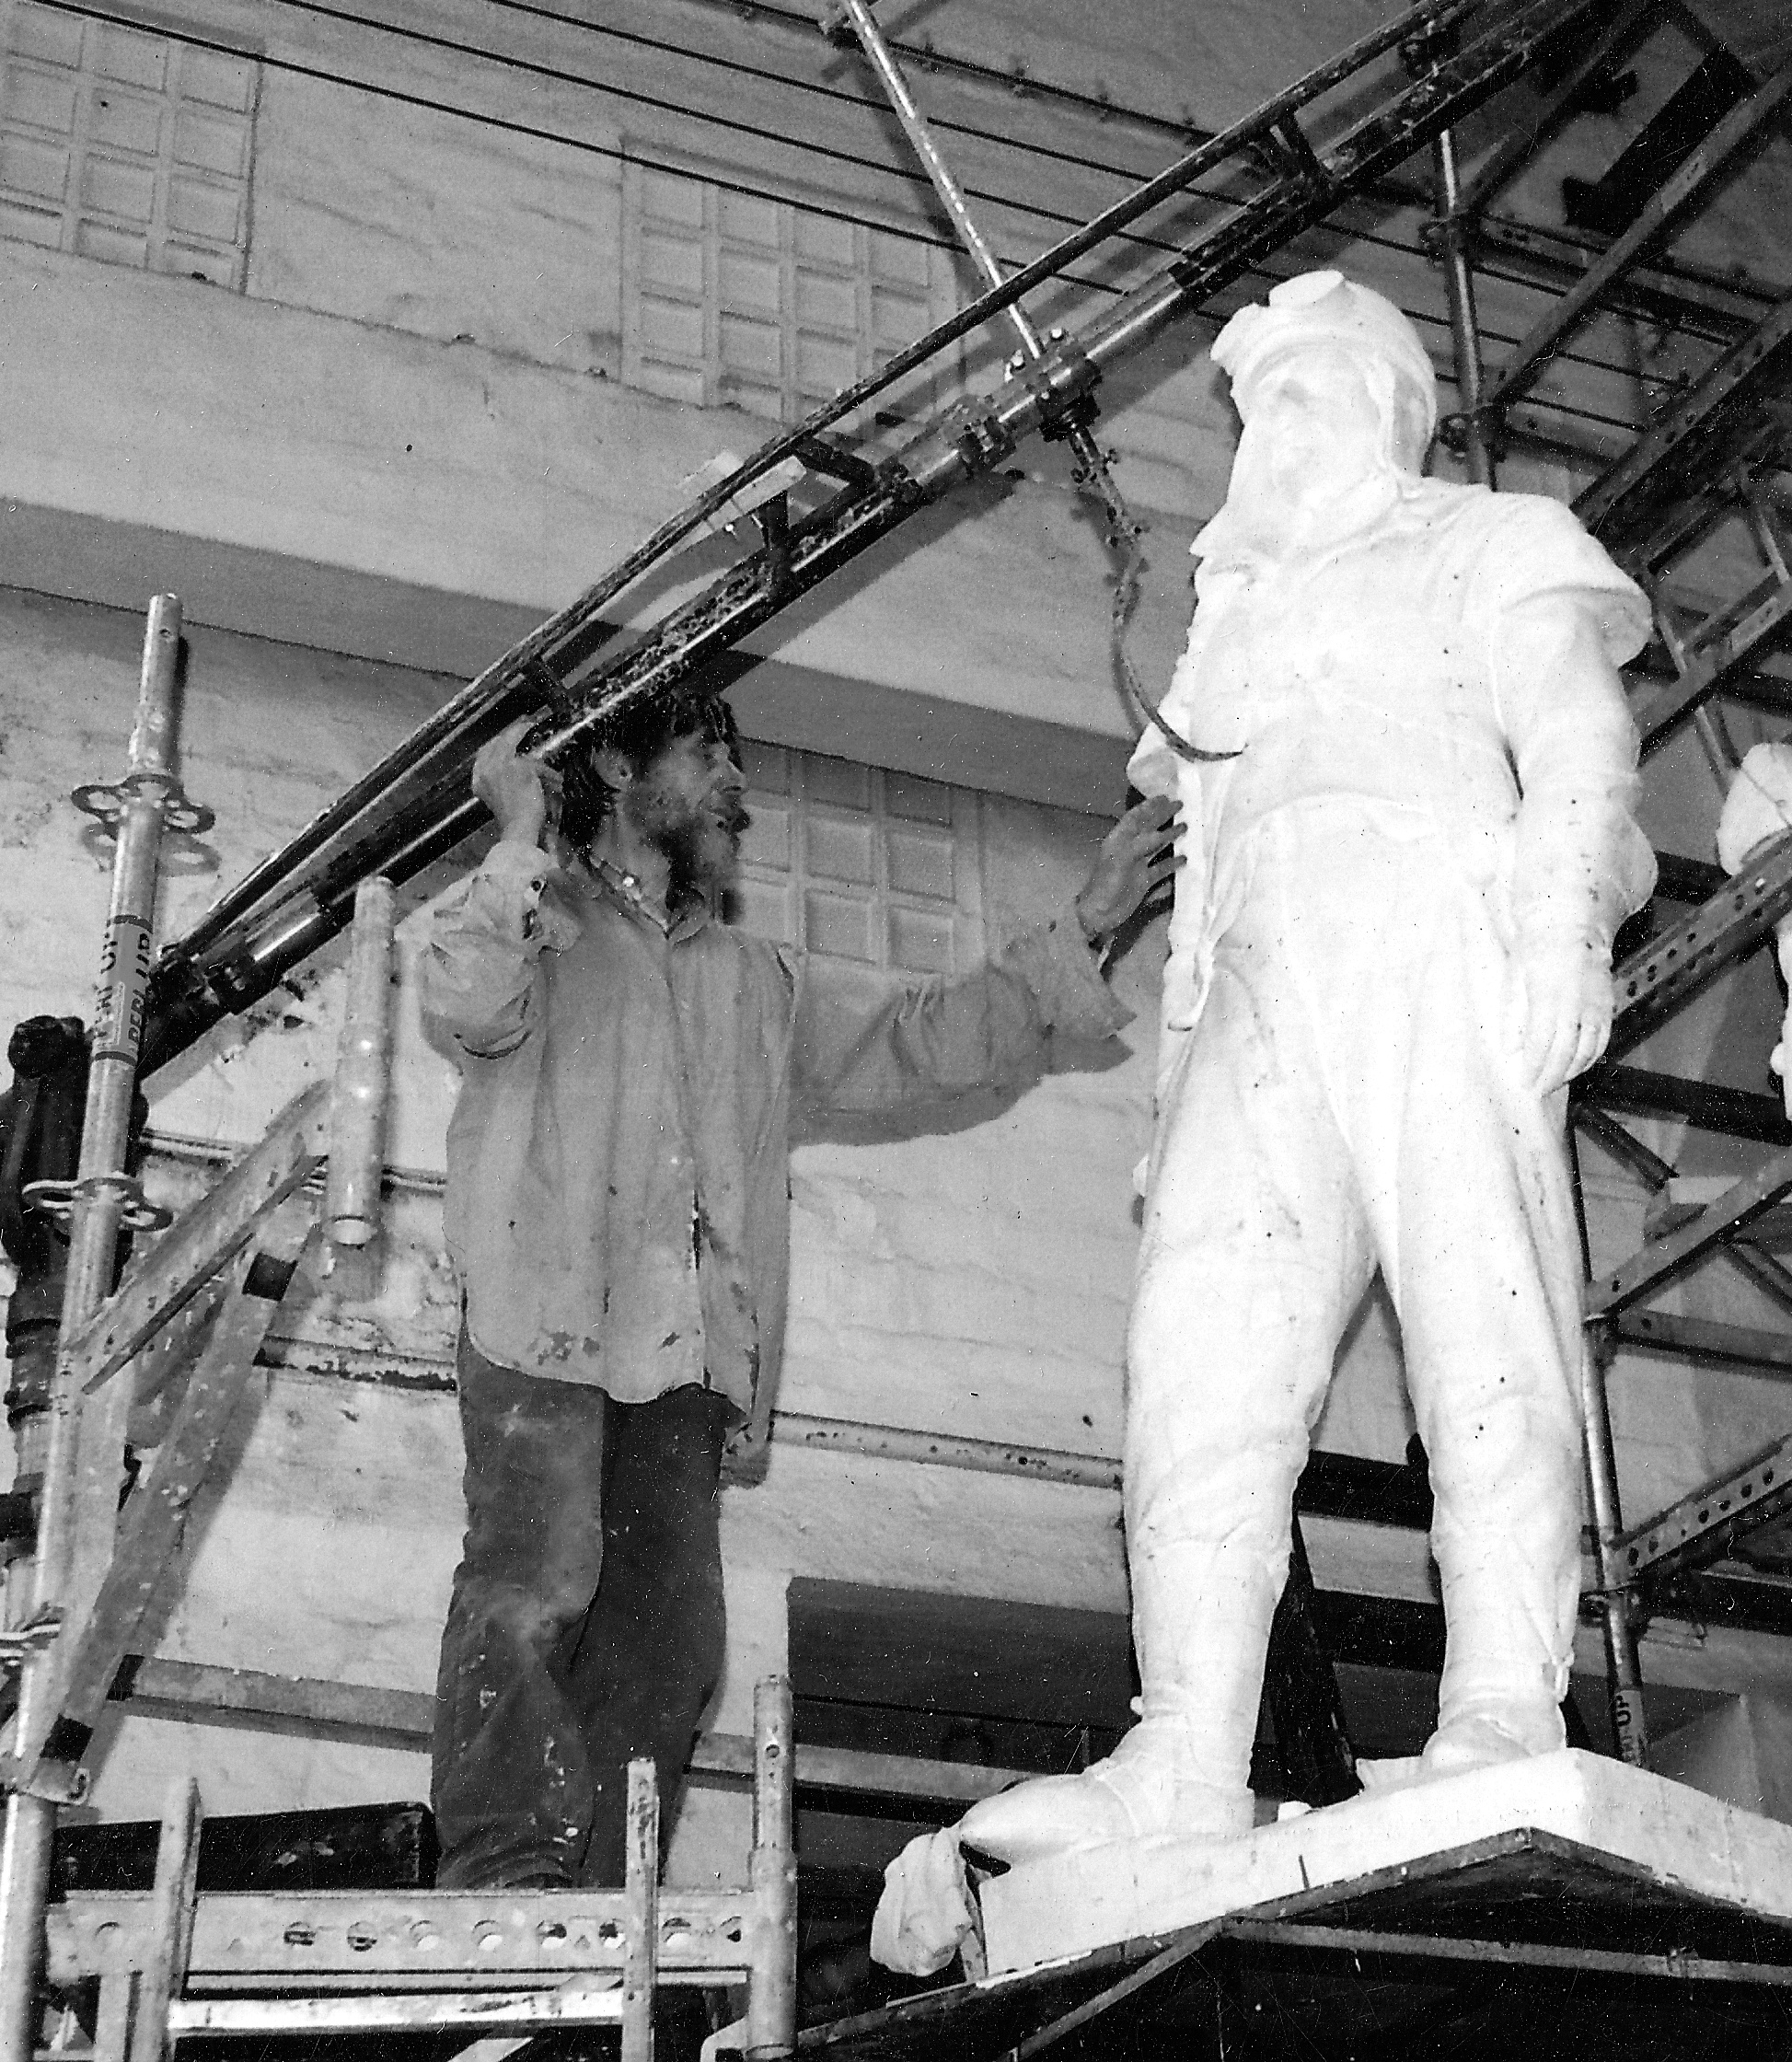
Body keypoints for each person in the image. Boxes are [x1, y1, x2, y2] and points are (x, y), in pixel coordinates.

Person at [955, 269, 1657, 1866]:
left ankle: (1503, 1699)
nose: (1276, 421)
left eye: (1309, 386)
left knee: (1481, 1315)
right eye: (1259, 399)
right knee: (1198, 1354)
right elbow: (1202, 868)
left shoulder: (1490, 541)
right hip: (1260, 980)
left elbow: (1582, 740)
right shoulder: (1232, 625)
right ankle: (1184, 1752)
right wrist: (1173, 1085)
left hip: (1434, 926)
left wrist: (1564, 925)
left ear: (1392, 404)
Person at [419, 687, 1179, 1891]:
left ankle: (601, 1908)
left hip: (683, 1365)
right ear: (615, 768)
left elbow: (923, 1038)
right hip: (542, 1337)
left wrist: (1090, 919)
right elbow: (463, 996)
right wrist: (517, 833)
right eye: (707, 752)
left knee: (671, 1649)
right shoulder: (540, 921)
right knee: (533, 1593)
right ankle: (506, 1882)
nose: (737, 786)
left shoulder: (755, 981)